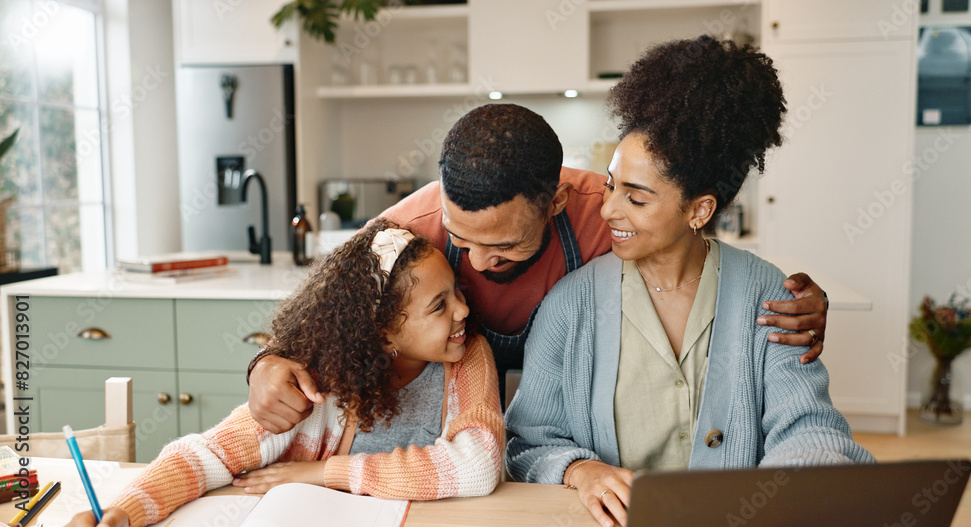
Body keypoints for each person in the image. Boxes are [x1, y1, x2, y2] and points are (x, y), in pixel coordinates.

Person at [247, 103, 832, 434]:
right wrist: (267, 364)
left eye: (503, 247)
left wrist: (791, 298)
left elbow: (697, 256)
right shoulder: (409, 224)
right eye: (460, 240)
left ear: (554, 203)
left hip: (551, 406)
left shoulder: (602, 215)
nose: (477, 262)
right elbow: (325, 313)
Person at [503, 37, 874, 527]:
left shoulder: (767, 295)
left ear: (699, 210)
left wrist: (783, 500)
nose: (608, 208)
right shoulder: (571, 304)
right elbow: (528, 440)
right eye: (612, 185)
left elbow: (810, 430)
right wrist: (580, 468)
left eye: (636, 198)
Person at [67, 219, 503, 527]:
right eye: (439, 305)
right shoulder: (319, 380)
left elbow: (479, 466)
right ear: (383, 328)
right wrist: (125, 512)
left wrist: (324, 472)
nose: (463, 310)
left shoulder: (467, 358)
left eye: (456, 292)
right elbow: (208, 454)